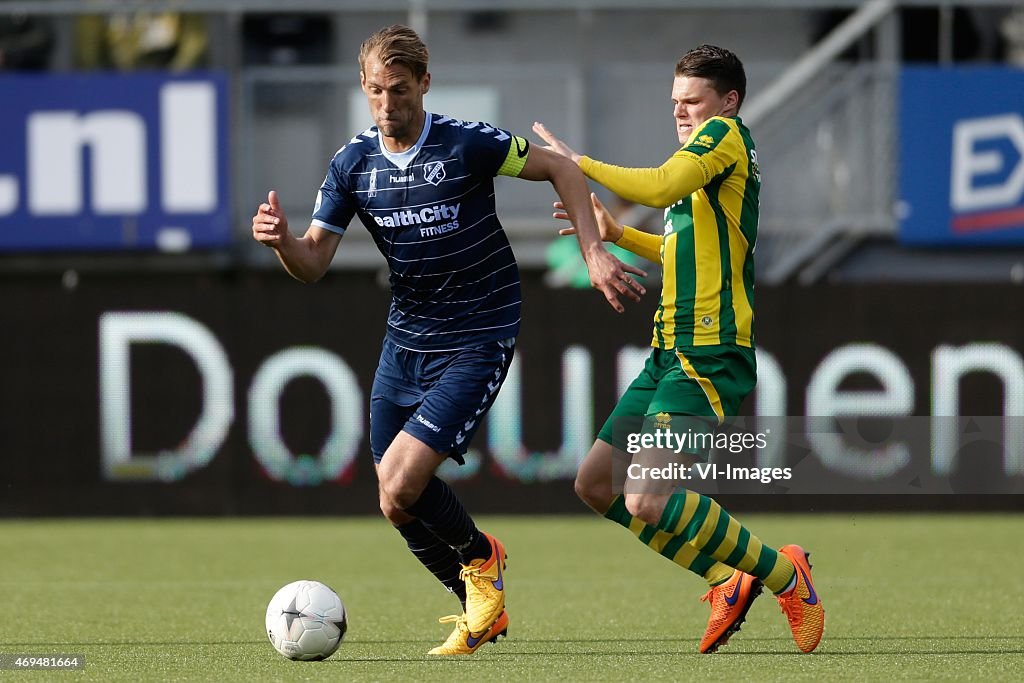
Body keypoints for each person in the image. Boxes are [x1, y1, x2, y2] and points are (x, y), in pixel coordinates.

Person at [251, 24, 645, 656]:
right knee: (393, 500)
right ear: (363, 87)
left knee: (404, 481)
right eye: (375, 91)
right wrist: (282, 245)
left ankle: (482, 556)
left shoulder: (466, 144)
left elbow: (560, 170)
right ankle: (477, 609)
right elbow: (314, 262)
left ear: (425, 85)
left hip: (480, 330)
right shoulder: (352, 165)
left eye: (399, 91)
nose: (386, 105)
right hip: (406, 339)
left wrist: (594, 251)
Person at [534, 44, 825, 654]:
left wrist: (576, 163)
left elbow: (663, 185)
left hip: (710, 353)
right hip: (669, 351)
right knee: (595, 486)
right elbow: (682, 254)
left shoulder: (725, 138)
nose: (682, 113)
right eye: (675, 103)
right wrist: (619, 234)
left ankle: (783, 573)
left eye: (691, 101)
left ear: (729, 101)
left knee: (644, 495)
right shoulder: (703, 161)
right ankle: (726, 580)